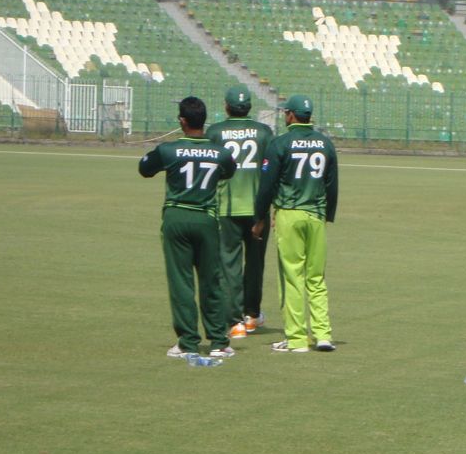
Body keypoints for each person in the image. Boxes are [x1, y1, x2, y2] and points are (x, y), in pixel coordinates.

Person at [139, 96, 238, 358]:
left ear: (182, 121)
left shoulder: (168, 150)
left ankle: (187, 342)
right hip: (207, 218)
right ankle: (219, 341)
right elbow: (229, 171)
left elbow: (145, 169)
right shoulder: (220, 152)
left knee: (181, 283)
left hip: (177, 218)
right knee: (211, 281)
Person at [252, 94, 338, 353]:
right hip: (316, 215)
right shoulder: (325, 144)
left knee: (292, 277)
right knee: (316, 277)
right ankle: (323, 335)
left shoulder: (280, 143)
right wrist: (327, 214)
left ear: (290, 115)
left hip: (289, 213)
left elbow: (266, 185)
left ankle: (297, 338)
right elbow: (332, 184)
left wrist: (259, 218)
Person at [206, 85, 275, 340]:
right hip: (258, 209)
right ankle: (252, 315)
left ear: (226, 106)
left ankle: (234, 323)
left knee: (229, 264)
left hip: (227, 207)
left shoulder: (215, 132)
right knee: (256, 263)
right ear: (249, 107)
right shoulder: (264, 132)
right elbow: (271, 170)